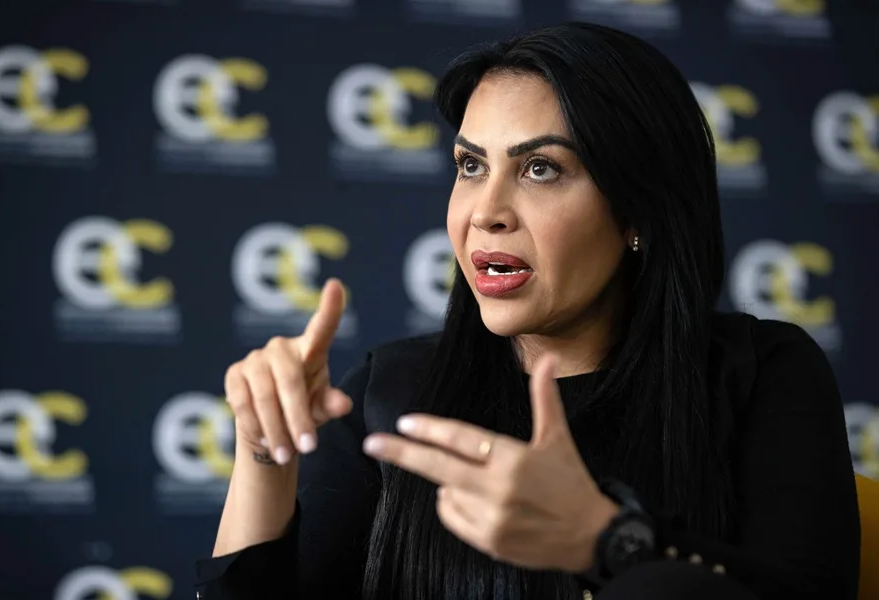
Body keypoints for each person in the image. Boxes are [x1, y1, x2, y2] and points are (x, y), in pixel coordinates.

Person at [194, 21, 860, 600]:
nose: (486, 212)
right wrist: (263, 454)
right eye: (470, 166)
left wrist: (606, 541)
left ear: (640, 210)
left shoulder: (763, 374)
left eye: (540, 168)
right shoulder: (389, 391)